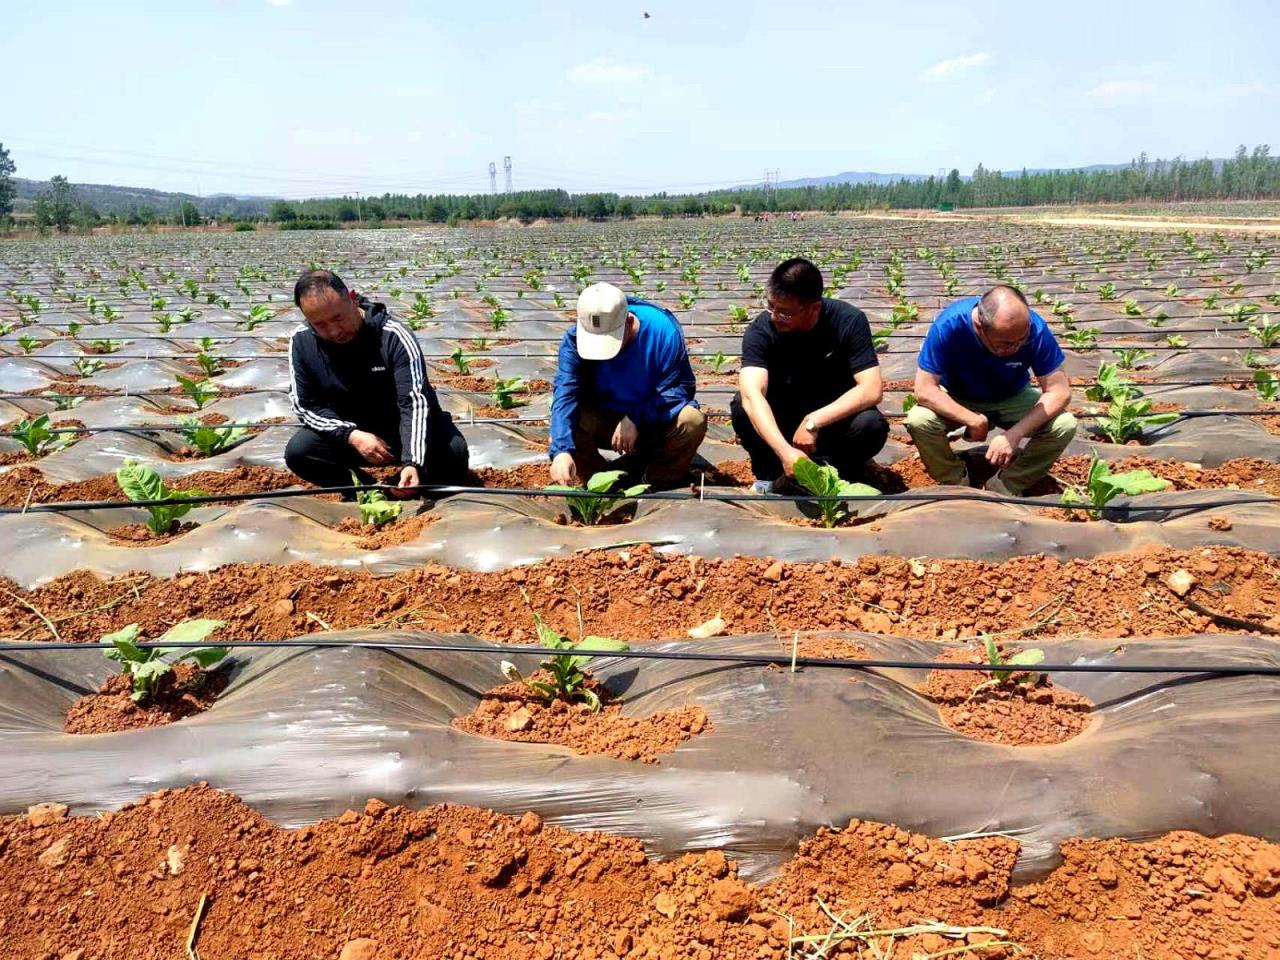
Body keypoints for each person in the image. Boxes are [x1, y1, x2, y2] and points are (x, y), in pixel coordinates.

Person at [285, 270, 469, 497]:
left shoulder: (392, 335)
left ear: (351, 299)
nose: (333, 331)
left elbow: (413, 402)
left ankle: (403, 484)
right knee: (300, 452)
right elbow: (305, 405)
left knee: (454, 454)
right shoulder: (301, 341)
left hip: (400, 429)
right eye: (320, 325)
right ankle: (367, 490)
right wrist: (351, 435)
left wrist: (413, 461)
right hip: (353, 433)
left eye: (338, 318)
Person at [730, 257, 888, 492]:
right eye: (771, 306)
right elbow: (752, 395)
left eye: (785, 313)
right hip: (783, 420)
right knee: (742, 407)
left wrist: (814, 422)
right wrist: (784, 450)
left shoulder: (849, 321)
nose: (775, 317)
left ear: (814, 307)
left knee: (871, 425)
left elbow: (871, 389)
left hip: (831, 419)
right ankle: (770, 474)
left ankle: (836, 474)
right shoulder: (762, 330)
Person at [904, 285, 1076, 495]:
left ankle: (1007, 484)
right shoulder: (950, 325)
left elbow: (1059, 391)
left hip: (1013, 395)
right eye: (1005, 343)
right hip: (958, 396)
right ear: (979, 326)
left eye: (1021, 340)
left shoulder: (1035, 329)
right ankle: (956, 481)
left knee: (1064, 425)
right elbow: (924, 389)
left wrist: (1015, 434)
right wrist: (973, 420)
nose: (1015, 348)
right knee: (919, 420)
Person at [549, 282, 706, 489]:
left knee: (692, 421)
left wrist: (636, 417)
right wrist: (561, 450)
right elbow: (565, 392)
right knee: (569, 419)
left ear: (629, 322)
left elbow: (680, 388)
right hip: (605, 419)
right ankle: (600, 483)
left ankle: (655, 481)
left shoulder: (663, 331)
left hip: (653, 420)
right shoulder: (574, 340)